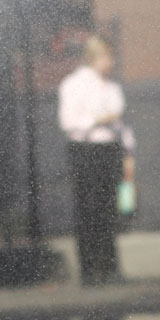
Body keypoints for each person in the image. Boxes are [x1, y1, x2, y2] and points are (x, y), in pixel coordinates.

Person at [58, 35, 136, 286]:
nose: (110, 62)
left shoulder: (112, 87)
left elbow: (122, 123)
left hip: (109, 149)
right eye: (106, 56)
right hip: (85, 149)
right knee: (87, 209)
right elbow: (68, 122)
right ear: (93, 58)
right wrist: (97, 121)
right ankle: (89, 270)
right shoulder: (73, 84)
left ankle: (110, 268)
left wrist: (128, 153)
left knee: (108, 209)